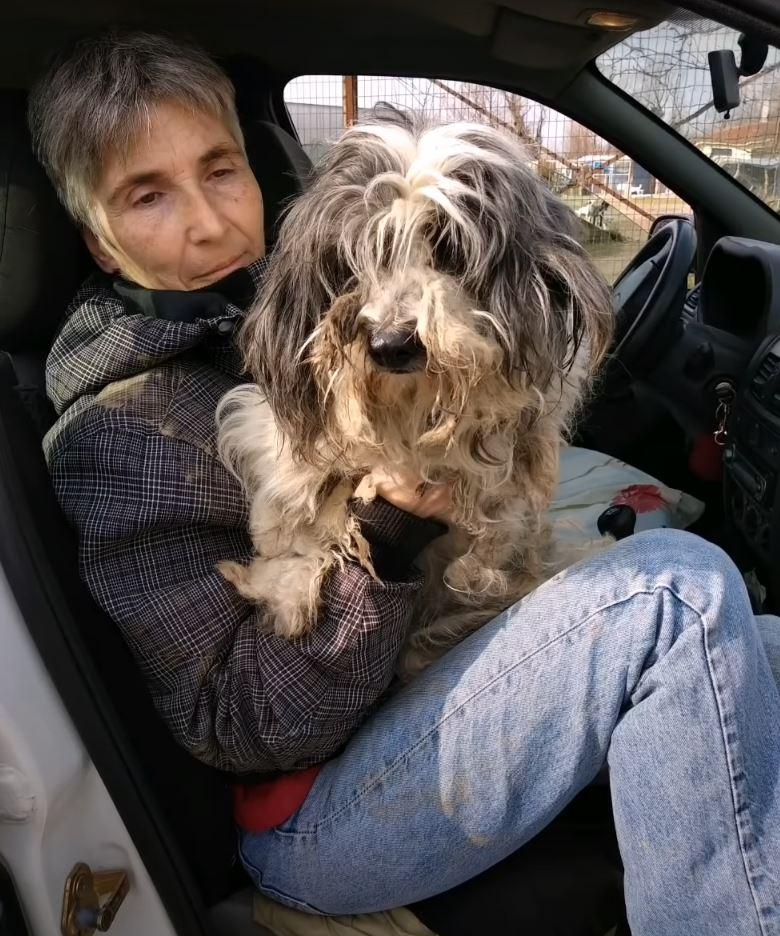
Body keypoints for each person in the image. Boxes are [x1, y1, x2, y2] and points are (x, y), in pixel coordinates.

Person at [29, 31, 780, 936]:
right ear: (98, 243)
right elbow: (236, 721)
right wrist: (386, 534)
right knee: (682, 599)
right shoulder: (125, 431)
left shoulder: (282, 298)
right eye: (147, 196)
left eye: (220, 170)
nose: (207, 222)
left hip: (425, 688)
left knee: (758, 639)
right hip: (314, 815)